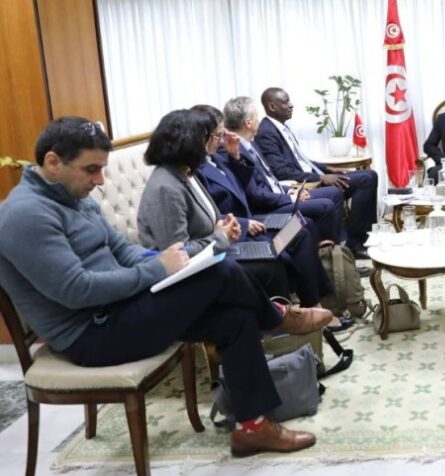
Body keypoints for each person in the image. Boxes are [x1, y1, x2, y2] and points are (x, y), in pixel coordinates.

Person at [0, 117, 331, 457]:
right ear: (53, 162)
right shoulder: (25, 216)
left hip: (119, 308)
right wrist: (158, 269)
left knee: (235, 316)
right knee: (223, 271)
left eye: (101, 169)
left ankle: (252, 428)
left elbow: (123, 250)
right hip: (91, 334)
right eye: (91, 170)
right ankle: (277, 317)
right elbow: (77, 290)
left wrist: (168, 262)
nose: (99, 181)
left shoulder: (74, 197)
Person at [137, 109, 322, 308]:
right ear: (188, 143)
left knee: (286, 243)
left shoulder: (185, 172)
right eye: (207, 137)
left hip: (216, 246)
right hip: (195, 268)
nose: (215, 142)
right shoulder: (166, 188)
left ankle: (305, 309)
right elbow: (177, 254)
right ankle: (286, 320)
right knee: (270, 265)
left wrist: (225, 226)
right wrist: (221, 235)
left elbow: (214, 214)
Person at [255, 87, 378, 259]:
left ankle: (358, 240)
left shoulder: (282, 128)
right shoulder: (266, 132)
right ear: (272, 106)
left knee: (370, 176)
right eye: (285, 102)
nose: (291, 105)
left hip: (311, 177)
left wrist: (328, 168)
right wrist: (321, 177)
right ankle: (352, 246)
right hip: (302, 184)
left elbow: (301, 160)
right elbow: (281, 172)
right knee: (365, 180)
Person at [221, 97, 345, 245]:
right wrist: (291, 198)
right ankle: (329, 251)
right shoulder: (236, 153)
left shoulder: (251, 144)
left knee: (334, 193)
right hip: (267, 208)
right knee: (325, 206)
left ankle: (337, 247)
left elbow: (269, 180)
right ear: (248, 123)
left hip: (279, 194)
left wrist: (290, 191)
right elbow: (256, 195)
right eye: (257, 117)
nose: (259, 121)